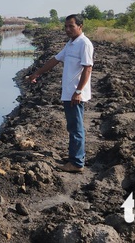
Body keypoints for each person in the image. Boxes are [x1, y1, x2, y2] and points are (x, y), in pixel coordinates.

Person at [25, 14, 94, 173]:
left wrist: (78, 91)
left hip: (75, 94)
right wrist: (36, 74)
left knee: (76, 128)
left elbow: (87, 68)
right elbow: (55, 60)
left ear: (80, 26)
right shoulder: (71, 44)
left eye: (71, 26)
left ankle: (76, 163)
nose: (68, 29)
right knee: (73, 126)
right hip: (69, 93)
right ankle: (74, 156)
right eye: (66, 26)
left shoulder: (84, 44)